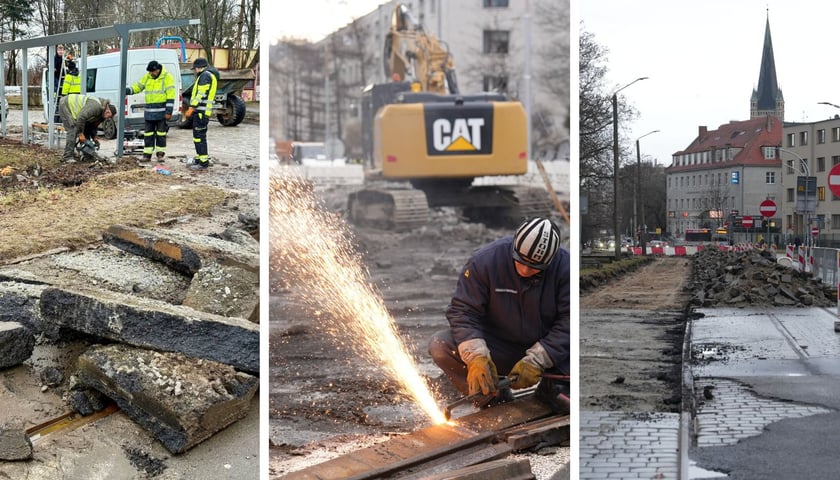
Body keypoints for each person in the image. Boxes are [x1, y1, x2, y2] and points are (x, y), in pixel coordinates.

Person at [428, 217, 571, 414]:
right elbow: (463, 311)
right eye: (521, 261)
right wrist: (477, 356)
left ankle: (550, 390)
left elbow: (570, 321)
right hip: (500, 347)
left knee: (568, 400)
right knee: (440, 346)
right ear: (514, 247)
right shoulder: (485, 261)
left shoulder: (566, 268)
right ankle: (490, 395)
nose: (525, 270)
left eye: (535, 267)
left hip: (552, 351)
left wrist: (539, 358)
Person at [126, 60, 176, 162]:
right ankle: (147, 155)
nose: (150, 74)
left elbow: (171, 95)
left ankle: (160, 154)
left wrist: (168, 112)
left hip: (161, 112)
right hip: (149, 112)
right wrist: (129, 90)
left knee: (161, 134)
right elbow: (138, 86)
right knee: (148, 134)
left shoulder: (167, 77)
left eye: (152, 72)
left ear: (157, 70)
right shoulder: (148, 77)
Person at [58, 94, 115, 163]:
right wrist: (80, 134)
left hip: (78, 113)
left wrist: (94, 137)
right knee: (73, 129)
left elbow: (92, 125)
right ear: (107, 110)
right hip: (66, 104)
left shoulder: (102, 114)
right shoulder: (95, 107)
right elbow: (81, 117)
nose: (107, 118)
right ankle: (67, 156)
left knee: (86, 130)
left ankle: (87, 156)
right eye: (108, 115)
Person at [183, 58, 218, 170]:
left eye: (195, 69)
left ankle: (203, 162)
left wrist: (192, 107)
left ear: (199, 67)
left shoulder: (205, 76)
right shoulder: (207, 75)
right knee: (198, 137)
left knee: (199, 137)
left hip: (201, 112)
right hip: (202, 111)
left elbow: (201, 94)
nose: (195, 71)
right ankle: (200, 158)